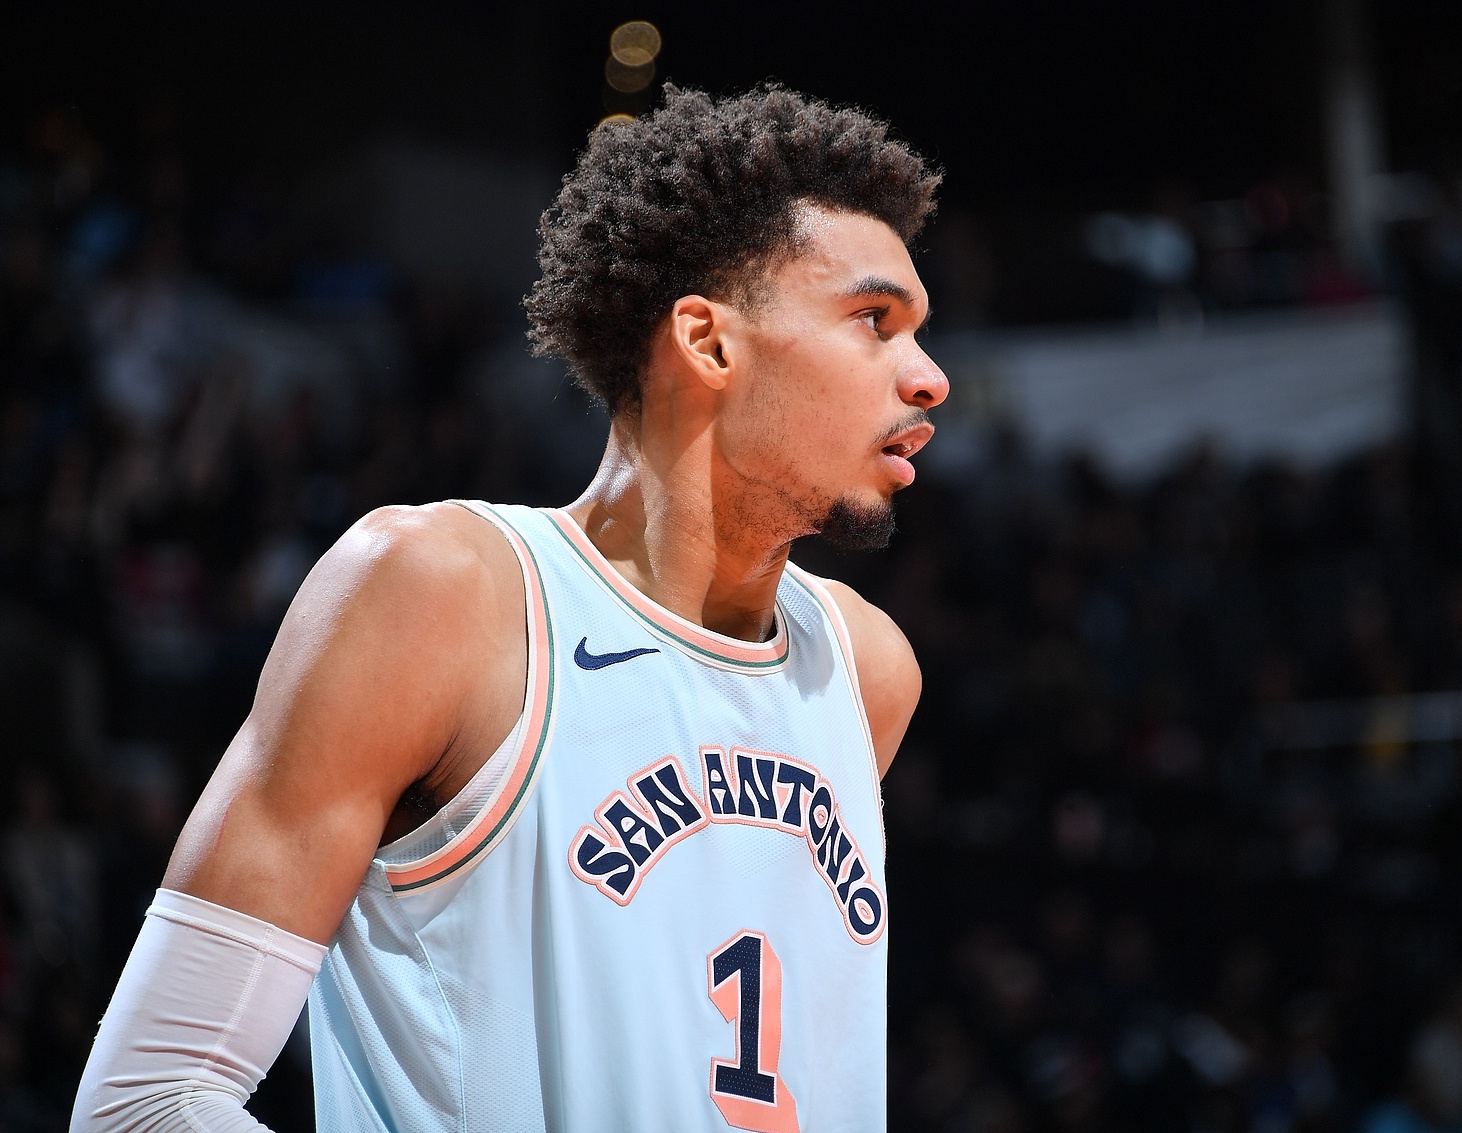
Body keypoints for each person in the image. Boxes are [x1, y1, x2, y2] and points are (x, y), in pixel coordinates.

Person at [72, 83, 948, 1132]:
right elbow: (149, 1097)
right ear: (709, 342)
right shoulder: (446, 592)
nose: (929, 378)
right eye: (873, 322)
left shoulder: (865, 669)